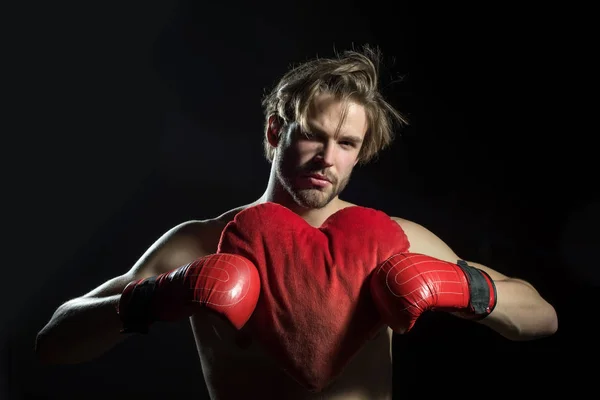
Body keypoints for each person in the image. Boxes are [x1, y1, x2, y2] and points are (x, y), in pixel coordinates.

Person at [35, 46, 558, 399]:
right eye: (312, 134)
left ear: (359, 154)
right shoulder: (204, 240)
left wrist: (462, 286)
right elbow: (54, 341)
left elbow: (542, 316)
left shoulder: (395, 240)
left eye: (347, 143)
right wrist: (159, 296)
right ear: (275, 131)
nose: (327, 157)